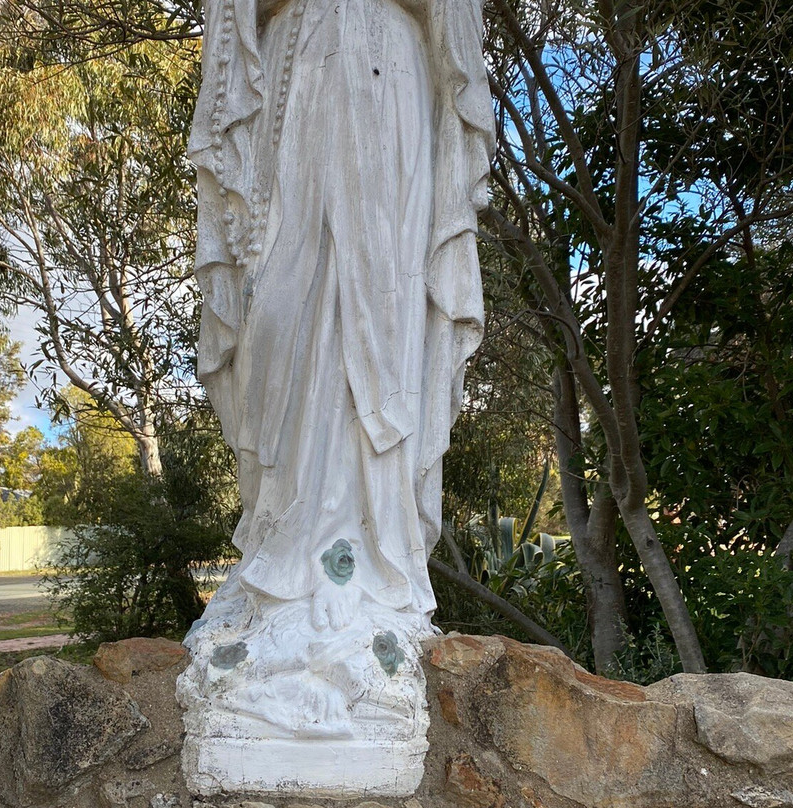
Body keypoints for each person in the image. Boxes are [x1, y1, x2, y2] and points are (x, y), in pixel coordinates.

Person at [179, 0, 493, 741]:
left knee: (384, 312)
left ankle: (367, 576)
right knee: (277, 317)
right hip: (292, 71)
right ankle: (278, 561)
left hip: (390, 71)